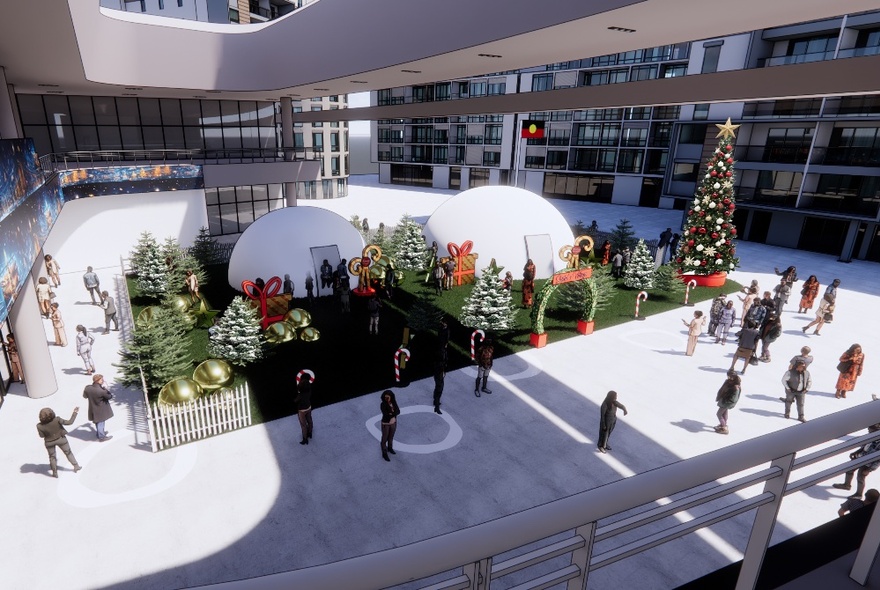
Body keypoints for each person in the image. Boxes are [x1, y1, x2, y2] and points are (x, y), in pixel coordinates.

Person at [833, 423, 880, 499]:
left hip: (868, 463)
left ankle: (859, 494)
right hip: (861, 457)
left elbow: (878, 459)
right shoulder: (870, 436)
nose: (868, 430)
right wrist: (856, 452)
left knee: (860, 477)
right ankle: (846, 485)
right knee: (849, 469)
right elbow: (864, 447)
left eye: (870, 429)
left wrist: (869, 469)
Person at [36, 407, 82, 477]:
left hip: (49, 442)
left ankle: (54, 472)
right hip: (61, 439)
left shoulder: (39, 426)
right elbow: (70, 422)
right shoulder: (57, 419)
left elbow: (41, 436)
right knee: (68, 453)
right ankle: (76, 466)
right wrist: (75, 413)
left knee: (52, 457)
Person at [82, 373, 113, 441]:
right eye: (101, 380)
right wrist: (106, 389)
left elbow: (84, 396)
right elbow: (109, 396)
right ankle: (102, 437)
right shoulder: (102, 391)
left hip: (93, 408)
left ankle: (99, 433)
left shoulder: (88, 388)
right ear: (97, 381)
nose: (103, 381)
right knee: (101, 422)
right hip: (101, 409)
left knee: (97, 421)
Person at [714, 370, 741, 435]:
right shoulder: (728, 381)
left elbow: (734, 398)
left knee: (719, 414)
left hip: (726, 402)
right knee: (724, 413)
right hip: (724, 400)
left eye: (730, 376)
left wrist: (726, 401)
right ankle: (723, 424)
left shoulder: (735, 387)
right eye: (728, 376)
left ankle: (723, 428)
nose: (729, 377)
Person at [379, 390, 400, 462]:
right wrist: (393, 413)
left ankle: (390, 448)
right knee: (384, 439)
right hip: (386, 424)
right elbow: (386, 415)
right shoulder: (383, 404)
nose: (387, 399)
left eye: (388, 397)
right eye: (385, 397)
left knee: (391, 437)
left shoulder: (394, 402)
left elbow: (398, 411)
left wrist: (392, 414)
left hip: (393, 423)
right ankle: (384, 453)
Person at [295, 378, 313, 445]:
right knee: (309, 420)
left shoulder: (300, 395)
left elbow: (295, 401)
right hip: (308, 407)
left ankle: (305, 439)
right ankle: (310, 433)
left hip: (302, 411)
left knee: (303, 425)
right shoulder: (309, 391)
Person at [432, 347, 446, 415]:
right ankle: (436, 407)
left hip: (438, 377)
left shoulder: (438, 362)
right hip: (439, 378)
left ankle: (435, 402)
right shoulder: (439, 363)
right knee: (439, 391)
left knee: (438, 389)